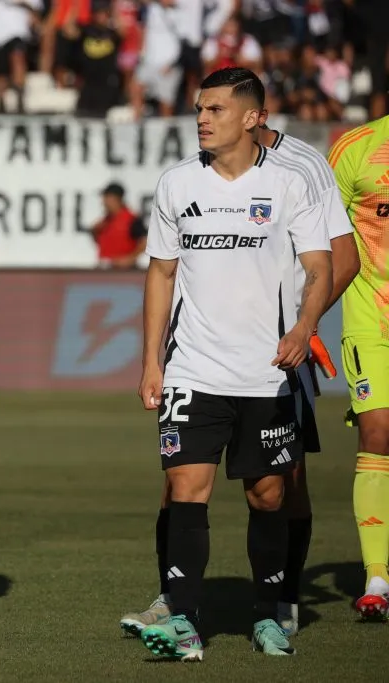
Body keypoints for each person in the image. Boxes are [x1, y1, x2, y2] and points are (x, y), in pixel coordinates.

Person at [120, 114, 360, 638]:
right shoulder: (180, 179)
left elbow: (338, 260)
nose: (202, 119)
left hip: (273, 363)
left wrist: (303, 326)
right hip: (195, 366)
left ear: (253, 115)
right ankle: (176, 605)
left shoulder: (301, 169)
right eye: (199, 108)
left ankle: (280, 602)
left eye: (214, 109)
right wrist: (152, 361)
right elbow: (161, 270)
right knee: (181, 483)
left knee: (280, 487)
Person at [326, 115, 389, 620]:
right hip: (371, 321)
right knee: (378, 431)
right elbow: (320, 233)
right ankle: (377, 579)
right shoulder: (357, 147)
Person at [91, 182, 147, 269]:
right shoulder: (104, 222)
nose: (103, 202)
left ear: (116, 199)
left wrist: (130, 259)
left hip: (124, 271)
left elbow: (144, 242)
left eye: (107, 197)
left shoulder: (131, 219)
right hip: (104, 269)